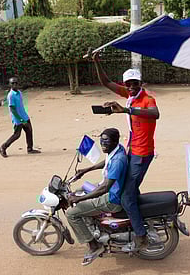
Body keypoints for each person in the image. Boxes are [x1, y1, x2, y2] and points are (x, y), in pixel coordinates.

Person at [92, 52, 159, 251]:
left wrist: (126, 110)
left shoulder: (147, 99)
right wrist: (97, 62)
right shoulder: (129, 95)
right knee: (126, 187)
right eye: (128, 84)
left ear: (141, 83)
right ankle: (134, 216)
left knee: (126, 196)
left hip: (142, 153)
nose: (130, 88)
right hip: (133, 150)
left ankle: (141, 234)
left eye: (134, 84)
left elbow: (156, 114)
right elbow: (106, 82)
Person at [66, 128, 128, 266]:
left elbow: (105, 188)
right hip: (110, 189)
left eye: (106, 141)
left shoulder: (118, 160)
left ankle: (94, 246)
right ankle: (91, 222)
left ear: (114, 141)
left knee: (71, 213)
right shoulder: (117, 150)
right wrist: (87, 169)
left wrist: (79, 199)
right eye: (101, 141)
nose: (103, 144)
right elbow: (106, 162)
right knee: (80, 189)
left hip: (112, 198)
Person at [0, 77, 41, 157]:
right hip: (17, 119)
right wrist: (21, 120)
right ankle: (3, 147)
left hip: (24, 116)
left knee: (29, 131)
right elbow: (12, 109)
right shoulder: (11, 95)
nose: (15, 85)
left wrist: (24, 117)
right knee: (16, 135)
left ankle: (30, 149)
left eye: (16, 83)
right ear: (10, 85)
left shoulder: (19, 93)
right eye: (13, 83)